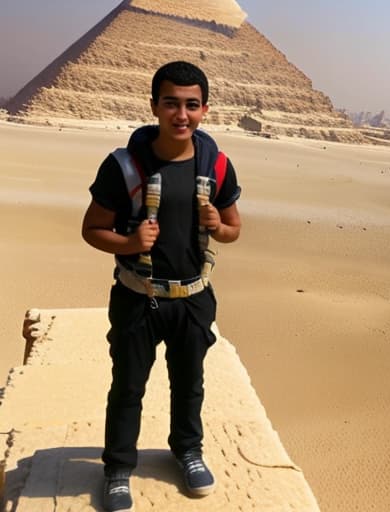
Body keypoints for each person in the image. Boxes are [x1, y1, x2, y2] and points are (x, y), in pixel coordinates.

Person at [82, 61, 241, 512]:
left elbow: (233, 229)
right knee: (128, 386)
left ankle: (187, 451)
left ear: (205, 109)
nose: (181, 114)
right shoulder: (124, 166)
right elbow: (92, 228)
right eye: (171, 103)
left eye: (192, 105)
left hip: (193, 298)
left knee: (190, 383)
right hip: (138, 297)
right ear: (154, 105)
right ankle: (117, 468)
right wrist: (131, 241)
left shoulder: (218, 166)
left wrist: (219, 225)